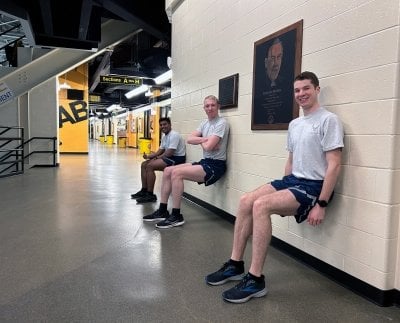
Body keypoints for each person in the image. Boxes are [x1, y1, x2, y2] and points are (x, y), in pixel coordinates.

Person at [205, 71, 344, 304]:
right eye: (297, 90)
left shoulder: (329, 120)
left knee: (261, 205)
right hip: (293, 181)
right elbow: (291, 160)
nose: (301, 94)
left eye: (306, 88)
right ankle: (235, 264)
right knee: (245, 201)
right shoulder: (295, 123)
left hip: (314, 186)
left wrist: (321, 203)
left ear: (317, 90)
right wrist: (283, 191)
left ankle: (255, 279)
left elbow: (334, 165)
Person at [142, 95, 230, 229]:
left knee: (177, 173)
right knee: (167, 170)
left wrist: (201, 140)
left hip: (216, 165)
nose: (210, 108)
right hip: (205, 161)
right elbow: (190, 139)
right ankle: (163, 210)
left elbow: (208, 147)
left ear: (218, 106)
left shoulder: (222, 123)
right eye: (207, 106)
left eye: (213, 105)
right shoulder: (204, 123)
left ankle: (176, 216)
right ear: (204, 108)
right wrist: (205, 139)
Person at [131, 117, 186, 203]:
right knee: (144, 164)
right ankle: (144, 190)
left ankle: (150, 195)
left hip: (177, 159)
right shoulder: (164, 136)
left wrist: (156, 159)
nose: (163, 126)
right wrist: (149, 156)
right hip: (170, 157)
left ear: (170, 125)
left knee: (150, 166)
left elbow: (169, 153)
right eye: (161, 125)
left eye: (165, 124)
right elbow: (160, 151)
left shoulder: (174, 135)